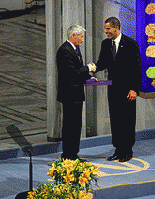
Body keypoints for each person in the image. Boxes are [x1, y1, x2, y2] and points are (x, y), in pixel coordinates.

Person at [93, 17, 142, 162]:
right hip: (113, 89)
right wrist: (91, 69)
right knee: (115, 120)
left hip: (128, 90)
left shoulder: (131, 44)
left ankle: (127, 150)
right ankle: (118, 149)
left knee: (127, 120)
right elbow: (102, 63)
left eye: (108, 29)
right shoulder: (105, 44)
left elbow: (137, 69)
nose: (106, 32)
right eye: (105, 29)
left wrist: (134, 89)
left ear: (116, 28)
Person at [56, 25, 97, 161]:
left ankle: (73, 154)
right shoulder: (65, 51)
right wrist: (88, 68)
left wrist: (89, 77)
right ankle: (67, 155)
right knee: (70, 126)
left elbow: (78, 71)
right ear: (73, 36)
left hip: (77, 94)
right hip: (69, 95)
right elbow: (71, 73)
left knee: (76, 125)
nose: (83, 40)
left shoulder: (75, 49)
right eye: (81, 37)